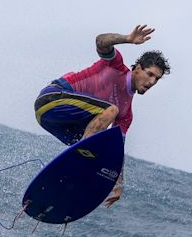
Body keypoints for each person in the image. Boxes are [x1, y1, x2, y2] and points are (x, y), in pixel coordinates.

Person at [34, 25, 170, 208]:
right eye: (150, 74)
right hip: (52, 99)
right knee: (110, 112)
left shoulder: (126, 113)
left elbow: (116, 149)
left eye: (157, 79)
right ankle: (78, 161)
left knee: (101, 149)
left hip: (52, 122)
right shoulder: (116, 66)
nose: (152, 81)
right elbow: (101, 41)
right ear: (137, 68)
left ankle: (65, 188)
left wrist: (118, 184)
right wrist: (127, 39)